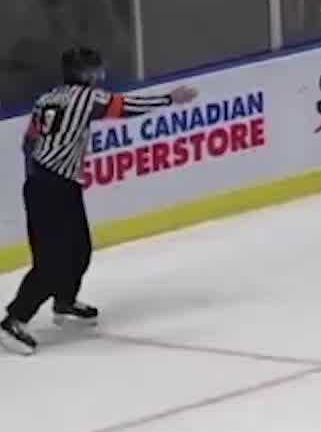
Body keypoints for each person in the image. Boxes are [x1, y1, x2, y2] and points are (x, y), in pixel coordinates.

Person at [2, 47, 195, 356]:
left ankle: (64, 301)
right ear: (84, 73)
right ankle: (14, 320)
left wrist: (39, 174)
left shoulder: (47, 98)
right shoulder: (87, 98)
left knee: (79, 249)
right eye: (95, 69)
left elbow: (29, 142)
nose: (100, 74)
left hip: (53, 184)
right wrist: (170, 99)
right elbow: (125, 107)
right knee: (51, 263)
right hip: (51, 188)